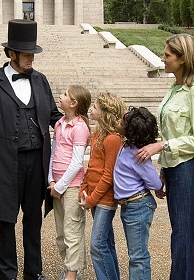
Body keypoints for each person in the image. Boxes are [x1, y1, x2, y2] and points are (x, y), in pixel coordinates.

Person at [0, 19, 62, 280]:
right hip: (8, 163)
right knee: (7, 220)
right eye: (27, 54)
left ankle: (33, 272)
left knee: (33, 219)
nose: (32, 59)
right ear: (11, 53)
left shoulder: (41, 81)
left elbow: (54, 116)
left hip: (38, 160)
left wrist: (76, 124)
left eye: (33, 53)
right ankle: (7, 274)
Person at [135, 34, 194, 279]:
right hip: (176, 169)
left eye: (167, 55)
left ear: (183, 59)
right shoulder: (174, 90)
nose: (162, 58)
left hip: (190, 169)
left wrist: (162, 146)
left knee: (182, 235)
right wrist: (164, 171)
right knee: (186, 233)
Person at [78, 92, 126, 280]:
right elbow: (92, 167)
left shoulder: (112, 138)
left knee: (97, 245)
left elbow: (108, 175)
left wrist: (91, 199)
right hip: (94, 196)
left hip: (104, 199)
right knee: (106, 243)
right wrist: (84, 187)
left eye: (96, 107)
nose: (92, 109)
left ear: (105, 113)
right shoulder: (97, 134)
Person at [47, 85, 91, 280]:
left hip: (71, 187)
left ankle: (72, 273)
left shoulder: (80, 127)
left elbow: (76, 163)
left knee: (72, 231)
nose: (60, 96)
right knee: (60, 234)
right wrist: (51, 179)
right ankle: (70, 267)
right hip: (57, 185)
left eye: (64, 94)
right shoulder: (59, 123)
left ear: (73, 103)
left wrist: (60, 186)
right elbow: (53, 152)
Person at [113, 107, 162, 280]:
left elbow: (155, 183)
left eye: (123, 122)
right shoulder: (127, 145)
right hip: (129, 207)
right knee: (135, 255)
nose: (119, 122)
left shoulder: (138, 154)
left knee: (138, 257)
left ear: (130, 131)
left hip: (138, 206)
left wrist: (158, 186)